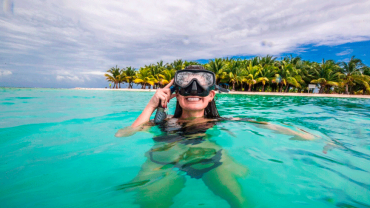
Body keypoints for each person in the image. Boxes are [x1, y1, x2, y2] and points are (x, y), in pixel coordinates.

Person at [116, 65, 317, 208]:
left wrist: (311, 137)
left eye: (202, 83)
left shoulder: (222, 121)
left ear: (211, 95)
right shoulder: (164, 120)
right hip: (163, 162)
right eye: (186, 82)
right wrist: (152, 105)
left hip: (211, 160)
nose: (194, 88)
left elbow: (264, 124)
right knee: (150, 203)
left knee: (240, 202)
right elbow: (124, 134)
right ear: (176, 93)